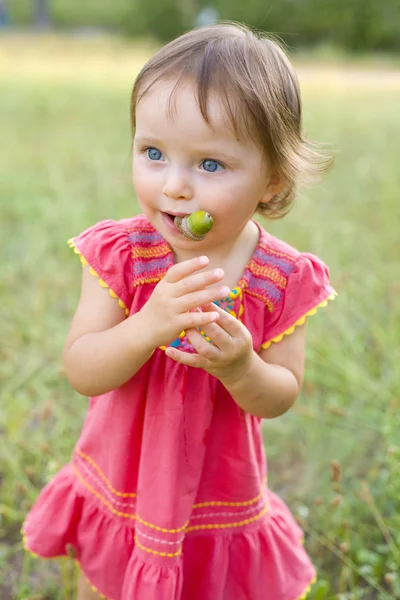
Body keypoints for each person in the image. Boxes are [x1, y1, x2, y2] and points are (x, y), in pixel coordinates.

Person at [22, 22, 336, 600]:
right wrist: (147, 325)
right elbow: (83, 369)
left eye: (209, 165)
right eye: (153, 153)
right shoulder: (125, 256)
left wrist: (242, 369)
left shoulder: (281, 279)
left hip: (219, 487)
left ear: (272, 181)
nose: (174, 187)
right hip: (128, 474)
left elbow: (282, 394)